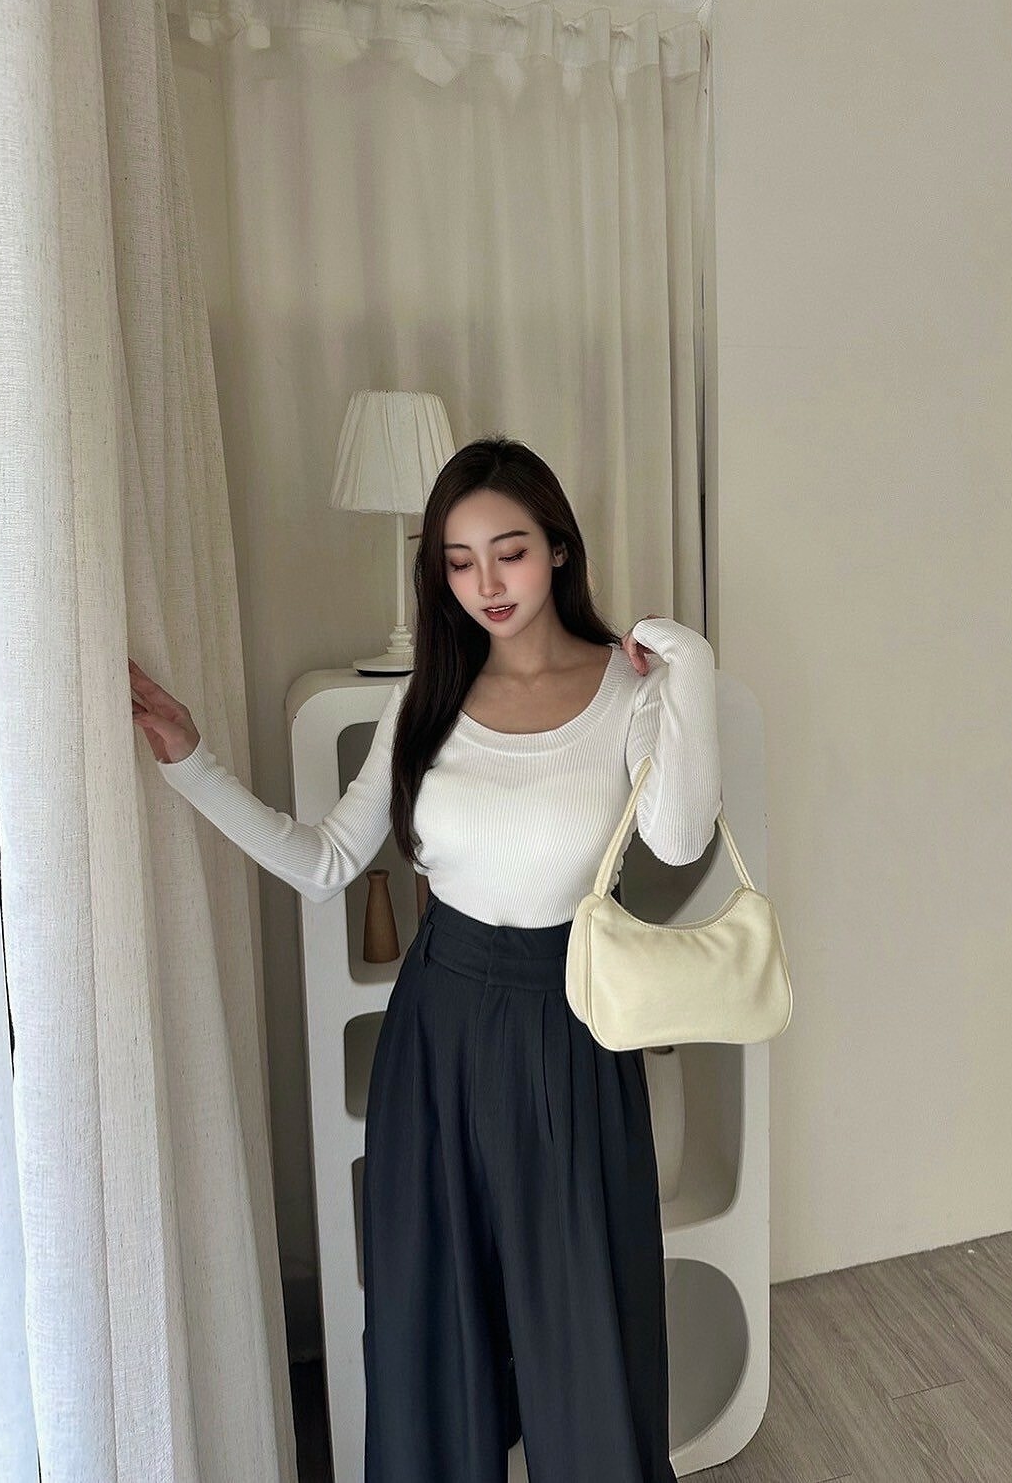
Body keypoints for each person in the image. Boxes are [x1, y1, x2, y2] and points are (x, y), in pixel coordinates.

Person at [129, 434, 722, 1483]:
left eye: (510, 551)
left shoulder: (628, 696)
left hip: (572, 1037)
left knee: (586, 1341)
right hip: (437, 1034)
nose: (486, 583)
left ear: (558, 549)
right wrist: (190, 759)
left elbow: (677, 844)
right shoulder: (427, 695)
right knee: (434, 1334)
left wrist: (694, 669)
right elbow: (325, 861)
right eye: (458, 560)